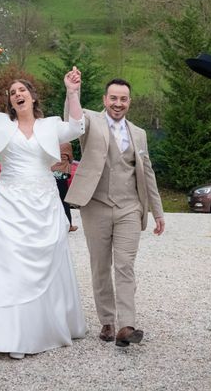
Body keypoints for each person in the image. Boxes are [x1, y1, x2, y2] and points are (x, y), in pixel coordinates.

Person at [0, 65, 86, 359]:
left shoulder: (50, 125)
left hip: (44, 200)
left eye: (22, 90)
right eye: (12, 93)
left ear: (32, 97)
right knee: (9, 262)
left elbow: (77, 127)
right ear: (10, 101)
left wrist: (72, 92)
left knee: (47, 258)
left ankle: (39, 329)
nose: (17, 95)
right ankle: (6, 332)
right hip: (10, 200)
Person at [65, 78, 165, 347]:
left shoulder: (139, 133)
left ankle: (126, 326)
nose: (118, 104)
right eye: (113, 98)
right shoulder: (90, 121)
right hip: (95, 206)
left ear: (129, 102)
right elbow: (72, 119)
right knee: (100, 266)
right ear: (104, 99)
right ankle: (107, 321)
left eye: (123, 99)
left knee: (124, 266)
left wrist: (157, 211)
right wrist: (72, 92)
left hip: (129, 208)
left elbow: (147, 173)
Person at [51, 142, 77, 232]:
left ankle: (52, 225)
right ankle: (69, 225)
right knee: (64, 201)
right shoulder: (67, 144)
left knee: (51, 201)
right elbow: (70, 160)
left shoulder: (48, 140)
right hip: (61, 175)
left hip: (50, 174)